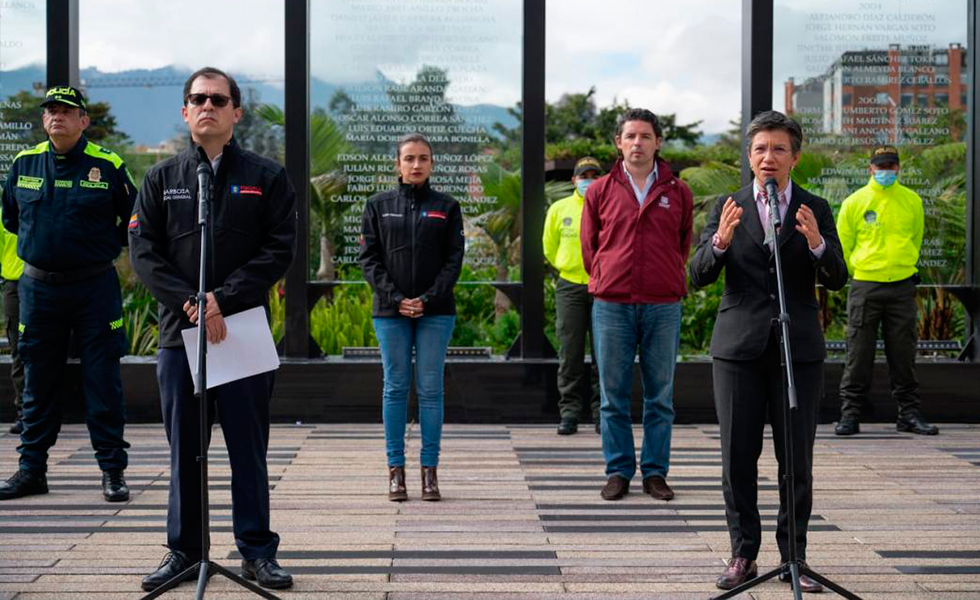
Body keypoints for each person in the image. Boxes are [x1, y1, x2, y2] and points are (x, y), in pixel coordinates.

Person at [129, 67, 295, 591]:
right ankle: (184, 550)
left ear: (235, 112)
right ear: (184, 112)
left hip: (241, 329)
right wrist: (191, 302)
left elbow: (279, 249)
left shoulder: (267, 176)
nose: (208, 106)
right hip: (182, 333)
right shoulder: (162, 178)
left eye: (218, 99)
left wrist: (224, 298)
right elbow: (143, 252)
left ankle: (256, 552)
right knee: (185, 447)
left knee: (248, 446)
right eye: (197, 98)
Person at [689, 110, 848, 593]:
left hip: (796, 348)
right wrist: (719, 241)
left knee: (796, 460)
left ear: (794, 157)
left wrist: (819, 244)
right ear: (749, 156)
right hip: (738, 350)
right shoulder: (728, 205)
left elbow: (839, 278)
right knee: (738, 457)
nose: (768, 157)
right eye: (760, 149)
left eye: (779, 149)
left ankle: (794, 557)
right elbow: (696, 275)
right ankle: (743, 555)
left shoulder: (814, 206)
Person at [0, 86, 134, 503]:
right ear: (43, 121)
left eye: (67, 111)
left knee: (102, 381)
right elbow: (11, 217)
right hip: (39, 290)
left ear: (83, 121)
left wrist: (96, 251)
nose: (57, 116)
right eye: (51, 111)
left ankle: (112, 471)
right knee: (37, 381)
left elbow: (131, 220)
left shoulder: (107, 164)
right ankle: (31, 471)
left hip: (94, 288)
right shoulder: (24, 163)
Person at [580, 108, 693, 502]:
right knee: (612, 394)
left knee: (659, 396)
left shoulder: (677, 191)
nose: (638, 143)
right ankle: (618, 470)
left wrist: (662, 277)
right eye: (630, 136)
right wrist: (610, 276)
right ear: (619, 143)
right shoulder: (599, 191)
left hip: (663, 303)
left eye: (645, 136)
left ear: (657, 142)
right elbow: (589, 249)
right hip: (612, 303)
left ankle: (655, 473)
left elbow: (683, 245)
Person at [360, 132, 464, 503]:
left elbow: (455, 260)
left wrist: (427, 298)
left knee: (431, 390)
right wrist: (397, 297)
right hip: (390, 312)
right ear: (398, 164)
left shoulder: (447, 206)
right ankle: (395, 473)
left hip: (436, 312)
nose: (416, 165)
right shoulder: (377, 205)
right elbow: (368, 259)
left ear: (432, 164)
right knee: (395, 387)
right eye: (409, 159)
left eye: (423, 158)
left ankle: (430, 473)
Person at [835, 145, 937, 436]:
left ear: (898, 169)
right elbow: (843, 246)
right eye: (880, 167)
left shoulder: (912, 201)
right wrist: (859, 270)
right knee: (858, 352)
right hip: (865, 285)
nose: (885, 172)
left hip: (903, 286)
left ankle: (909, 414)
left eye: (890, 166)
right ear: (870, 169)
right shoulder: (855, 202)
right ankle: (850, 414)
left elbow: (915, 238)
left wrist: (902, 266)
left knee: (904, 354)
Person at [543, 156, 602, 435]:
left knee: (604, 352)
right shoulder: (559, 208)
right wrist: (568, 265)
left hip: (603, 285)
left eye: (593, 175)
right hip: (569, 286)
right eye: (583, 176)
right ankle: (569, 413)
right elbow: (549, 247)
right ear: (573, 180)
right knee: (570, 351)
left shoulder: (608, 206)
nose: (587, 181)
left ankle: (603, 413)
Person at [1, 204, 25, 434]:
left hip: (47, 282)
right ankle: (24, 413)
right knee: (18, 349)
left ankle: (48, 410)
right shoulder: (2, 215)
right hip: (14, 286)